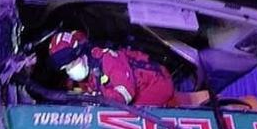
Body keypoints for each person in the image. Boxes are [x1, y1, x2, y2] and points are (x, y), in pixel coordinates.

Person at [47, 30, 176, 107]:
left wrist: (97, 99)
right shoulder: (85, 71)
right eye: (66, 68)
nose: (70, 70)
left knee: (130, 120)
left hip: (155, 84)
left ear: (81, 53)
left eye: (71, 64)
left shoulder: (107, 58)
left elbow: (125, 93)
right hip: (130, 90)